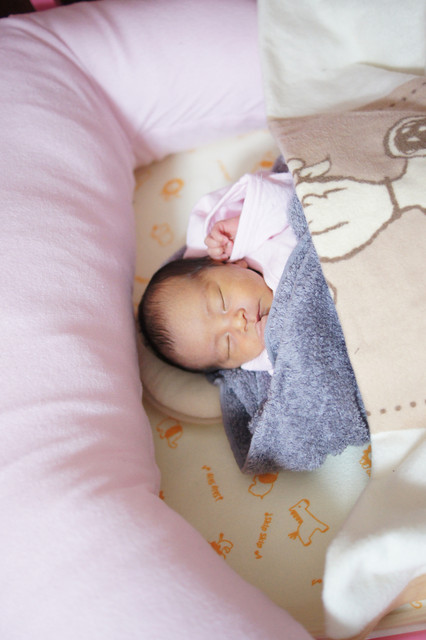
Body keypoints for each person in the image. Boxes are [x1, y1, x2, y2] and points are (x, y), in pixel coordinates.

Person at [138, 168, 298, 374]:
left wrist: (245, 227)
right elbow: (303, 370)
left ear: (233, 264)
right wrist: (280, 341)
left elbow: (291, 196)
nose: (239, 322)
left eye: (222, 301)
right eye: (228, 344)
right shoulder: (264, 358)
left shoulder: (259, 242)